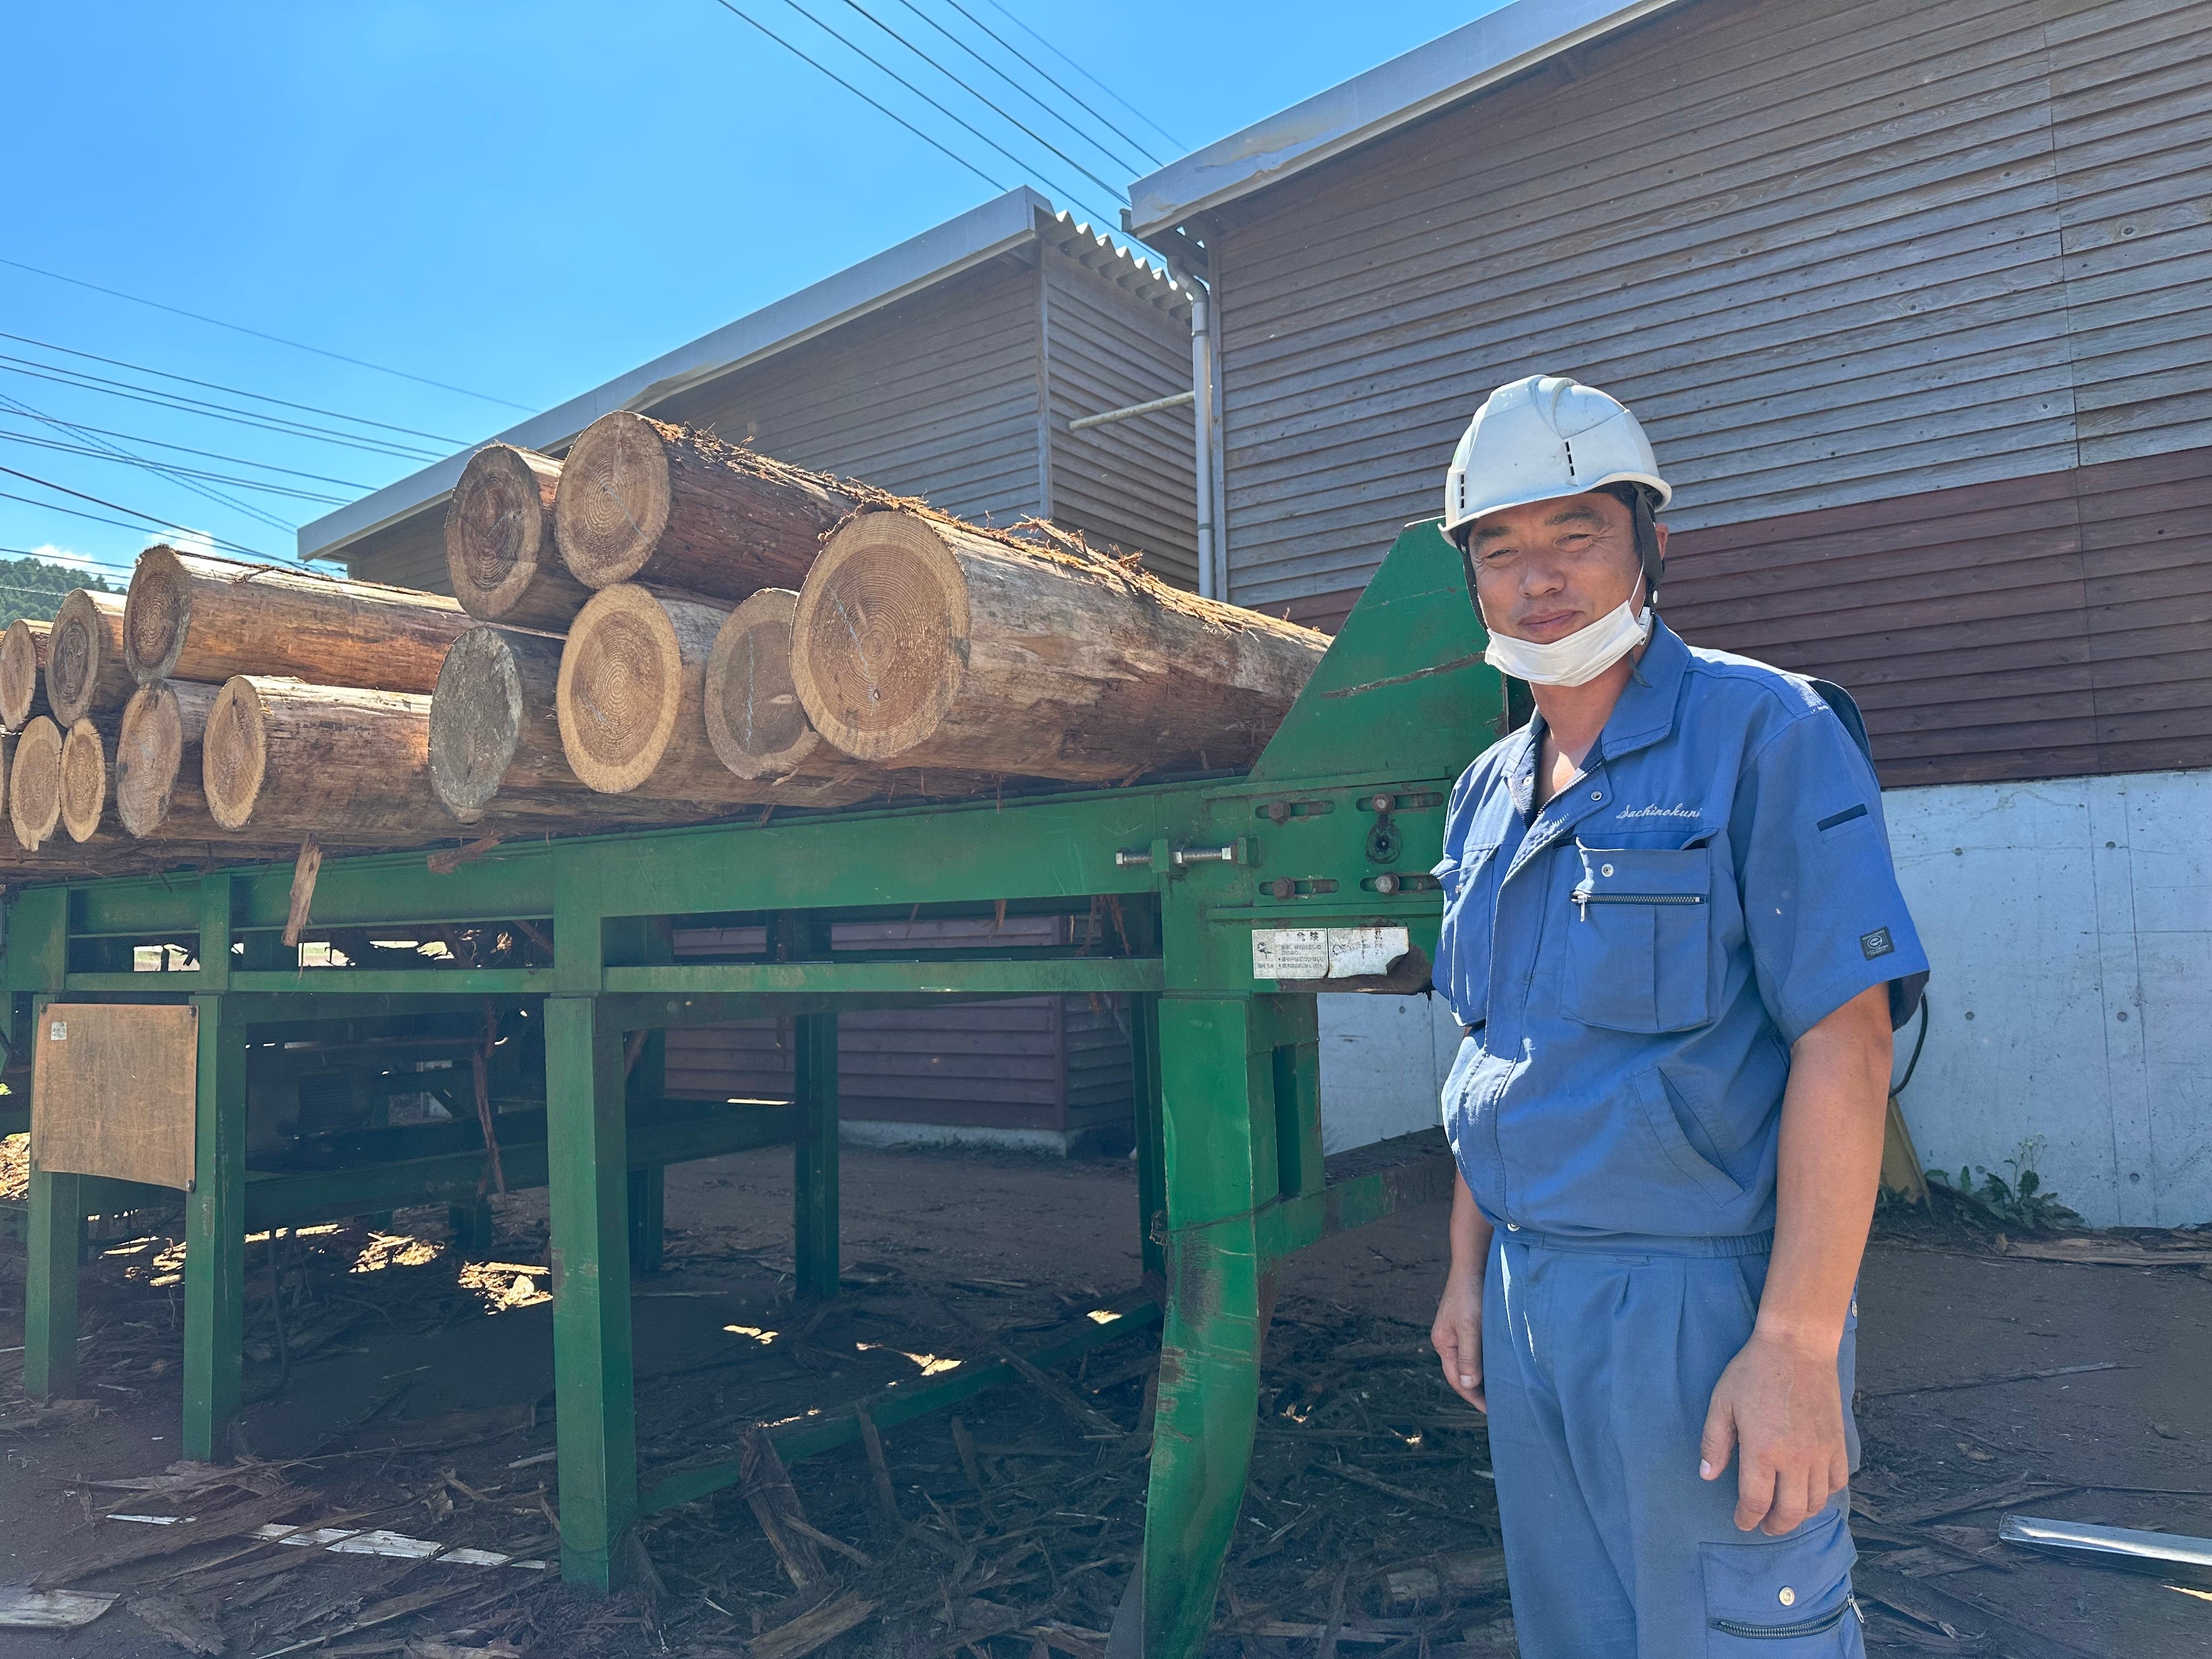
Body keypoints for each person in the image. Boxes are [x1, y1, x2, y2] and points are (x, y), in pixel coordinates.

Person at [1426, 375, 1928, 1657]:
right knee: (1576, 1632)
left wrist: (1798, 1347)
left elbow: (1847, 1039)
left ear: (1651, 540)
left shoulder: (1766, 729)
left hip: (1703, 1305)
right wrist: (1468, 1269)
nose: (1539, 577)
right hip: (1533, 1294)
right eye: (1503, 546)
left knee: (1738, 1636)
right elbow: (1501, 1044)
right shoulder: (1485, 792)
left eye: (1576, 532)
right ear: (1473, 579)